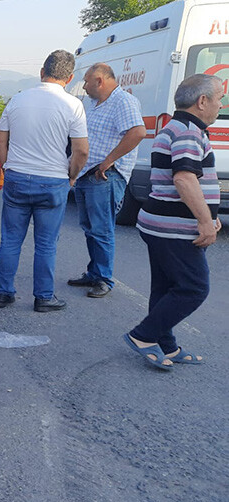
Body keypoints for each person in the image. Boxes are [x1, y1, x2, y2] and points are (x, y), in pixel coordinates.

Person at [124, 74, 223, 370]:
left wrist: (211, 216)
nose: (221, 105)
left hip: (160, 224)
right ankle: (143, 335)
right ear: (202, 101)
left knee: (167, 287)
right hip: (173, 229)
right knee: (194, 288)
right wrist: (206, 221)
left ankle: (165, 344)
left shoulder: (176, 127)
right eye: (219, 98)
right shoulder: (189, 131)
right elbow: (184, 177)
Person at [0, 50, 89, 312]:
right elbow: (81, 150)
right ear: (69, 77)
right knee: (46, 243)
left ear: (41, 72)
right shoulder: (73, 105)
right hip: (53, 180)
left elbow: (1, 140)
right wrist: (72, 175)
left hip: (17, 177)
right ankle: (43, 297)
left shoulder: (17, 100)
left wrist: (6, 166)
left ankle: (3, 293)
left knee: (11, 239)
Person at [69, 63, 145, 298]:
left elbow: (138, 132)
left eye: (86, 81)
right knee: (90, 228)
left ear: (99, 80)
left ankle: (103, 279)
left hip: (105, 176)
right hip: (86, 174)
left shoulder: (123, 101)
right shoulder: (93, 104)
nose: (84, 86)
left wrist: (109, 160)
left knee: (101, 229)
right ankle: (94, 273)